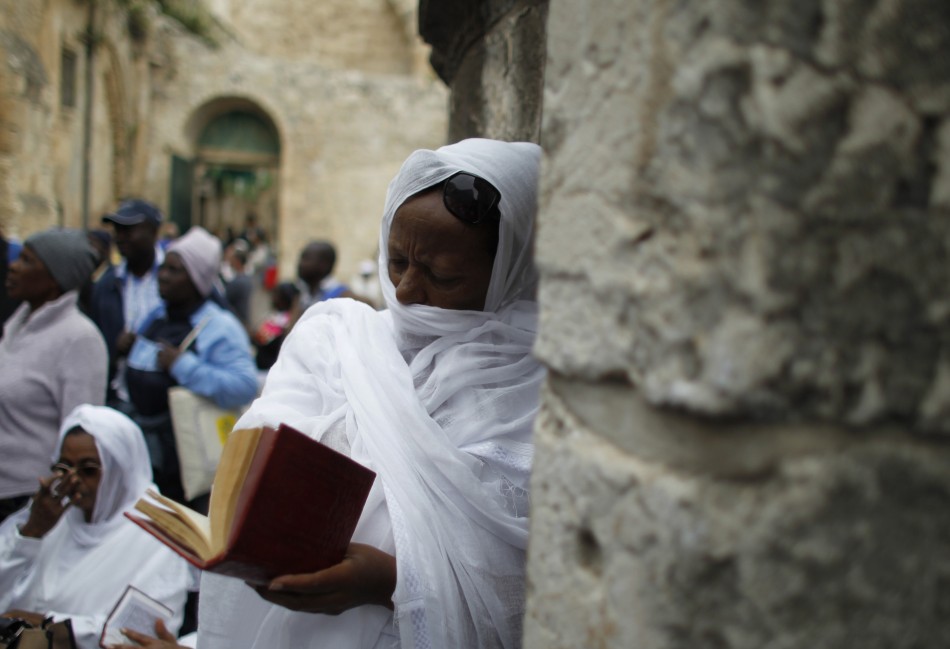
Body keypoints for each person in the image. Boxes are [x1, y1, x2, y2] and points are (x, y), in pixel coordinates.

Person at [197, 138, 544, 649]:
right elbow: (263, 453)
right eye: (397, 260)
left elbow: (537, 595)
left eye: (441, 276)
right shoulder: (336, 340)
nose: (404, 291)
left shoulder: (542, 401)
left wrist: (391, 582)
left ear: (511, 277)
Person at [0, 405, 191, 649]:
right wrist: (31, 534)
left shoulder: (162, 534)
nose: (74, 480)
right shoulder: (52, 516)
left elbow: (142, 635)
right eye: (63, 468)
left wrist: (52, 625)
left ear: (121, 469)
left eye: (88, 470)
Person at [125, 226, 258, 506]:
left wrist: (185, 366)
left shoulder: (219, 326)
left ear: (197, 279)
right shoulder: (157, 317)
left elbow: (245, 385)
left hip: (186, 471)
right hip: (147, 461)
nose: (163, 276)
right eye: (163, 268)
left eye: (175, 270)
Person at [0, 229, 107, 523]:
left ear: (54, 279)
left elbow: (80, 432)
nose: (13, 265)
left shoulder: (79, 338)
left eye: (27, 261)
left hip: (29, 503)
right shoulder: (16, 327)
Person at [90, 199, 165, 408]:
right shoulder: (107, 283)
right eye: (117, 230)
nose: (120, 237)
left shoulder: (178, 276)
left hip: (165, 401)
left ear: (153, 231)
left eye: (128, 230)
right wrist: (115, 347)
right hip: (120, 396)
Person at [252, 281, 299, 372]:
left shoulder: (283, 321)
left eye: (277, 295)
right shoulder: (276, 316)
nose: (273, 298)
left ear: (284, 300)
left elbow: (261, 338)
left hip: (268, 370)